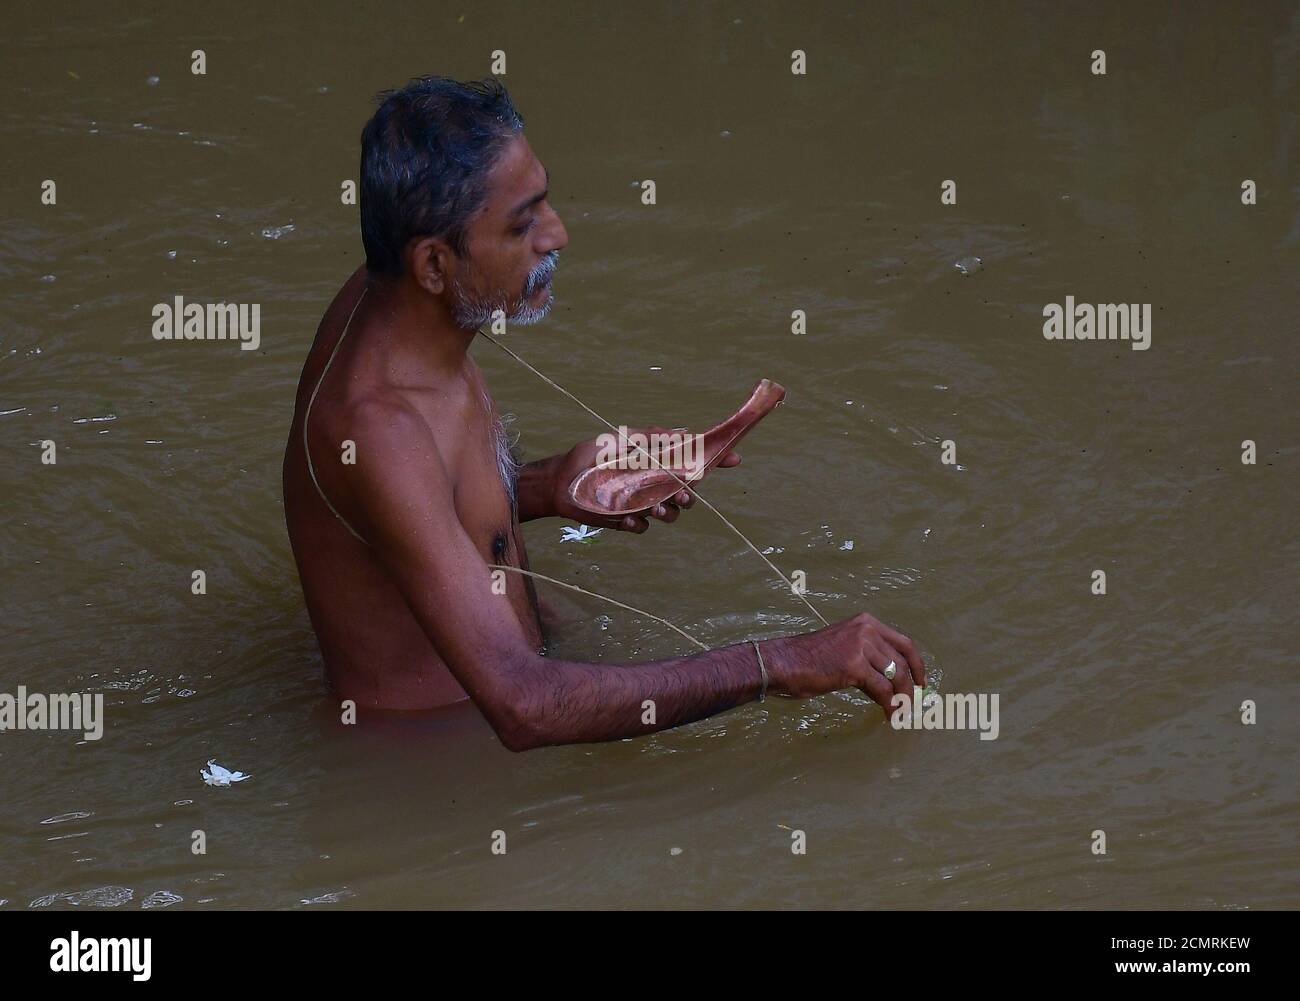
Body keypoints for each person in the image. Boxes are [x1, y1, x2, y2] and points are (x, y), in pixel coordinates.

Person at [282, 76, 924, 750]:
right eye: (522, 223)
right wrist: (779, 662)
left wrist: (555, 482)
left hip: (503, 682)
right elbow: (523, 705)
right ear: (435, 264)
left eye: (544, 201)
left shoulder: (390, 298)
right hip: (440, 759)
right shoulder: (378, 425)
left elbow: (420, 506)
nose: (556, 234)